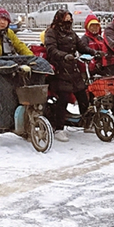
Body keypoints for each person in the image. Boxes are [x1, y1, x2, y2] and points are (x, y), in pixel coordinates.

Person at [44, 8, 97, 142]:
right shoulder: (51, 32)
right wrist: (64, 56)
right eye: (65, 19)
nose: (68, 22)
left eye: (69, 19)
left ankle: (86, 122)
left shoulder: (71, 33)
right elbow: (51, 49)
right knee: (63, 98)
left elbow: (81, 47)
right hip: (59, 70)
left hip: (73, 69)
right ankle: (59, 129)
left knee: (82, 94)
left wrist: (94, 53)